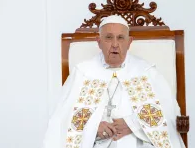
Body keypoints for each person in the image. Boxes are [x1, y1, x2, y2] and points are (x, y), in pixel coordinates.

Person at [42, 15, 185, 148]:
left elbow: (170, 113)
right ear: (99, 42)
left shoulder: (146, 71)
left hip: (138, 142)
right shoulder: (83, 72)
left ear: (129, 42)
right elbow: (61, 118)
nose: (115, 44)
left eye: (121, 38)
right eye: (109, 38)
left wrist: (133, 124)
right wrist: (93, 127)